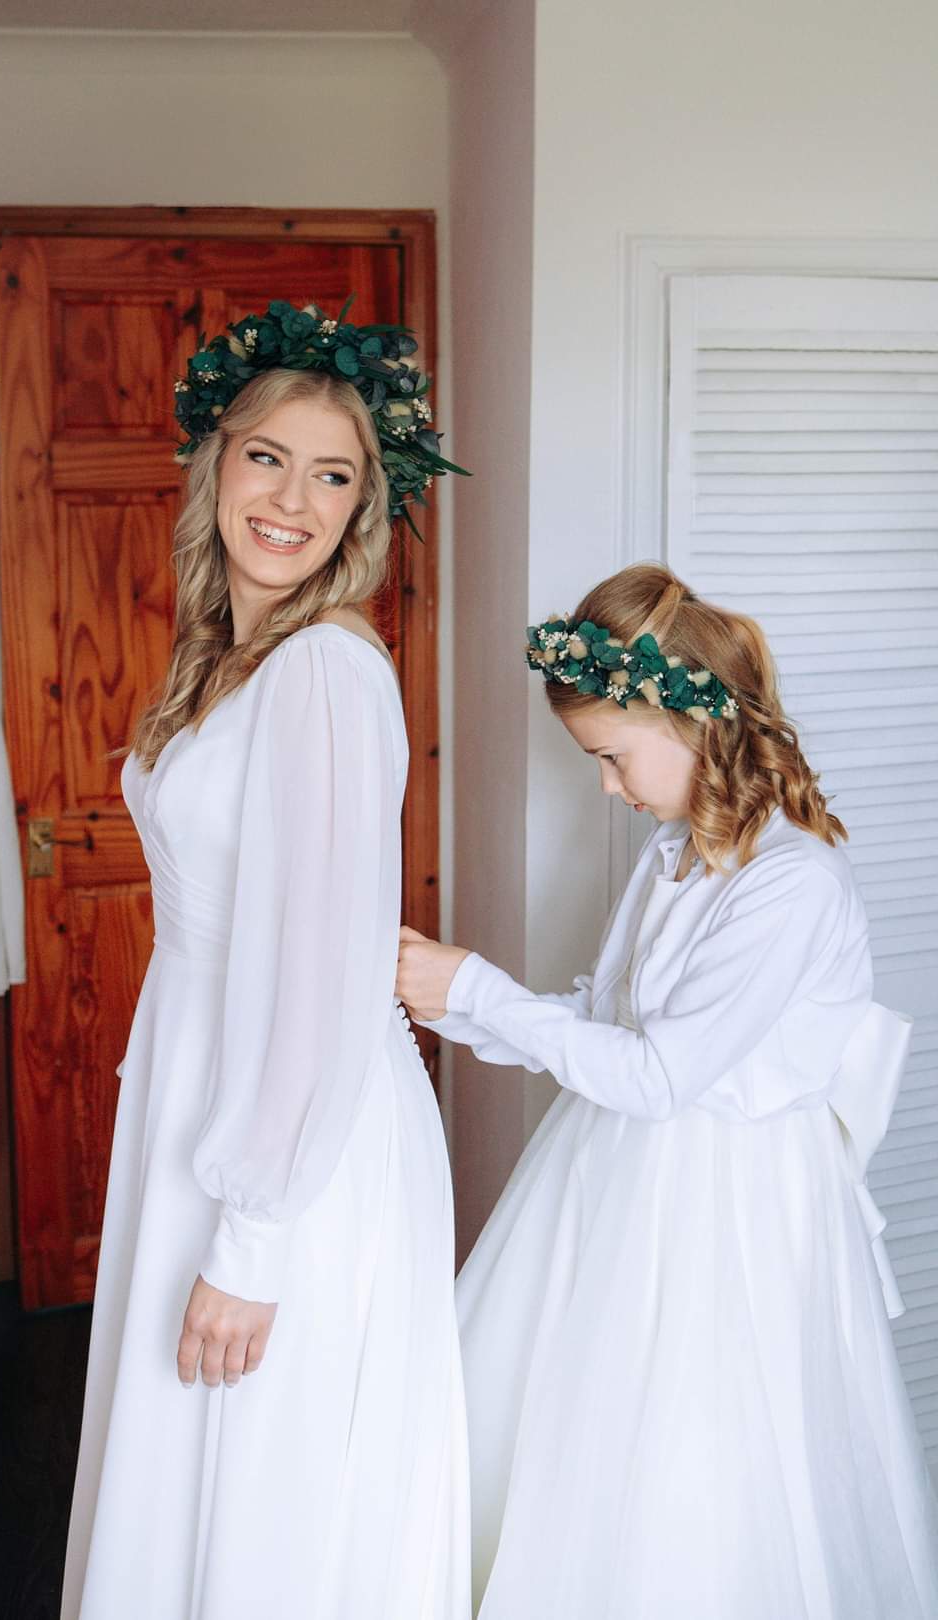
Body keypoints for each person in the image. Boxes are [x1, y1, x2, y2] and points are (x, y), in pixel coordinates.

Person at [396, 563, 938, 1619]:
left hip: (731, 1211)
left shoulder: (792, 884)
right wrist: (451, 1003)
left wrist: (482, 990)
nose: (605, 786)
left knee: (701, 1465)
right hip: (618, 1178)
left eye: (611, 757)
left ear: (693, 724)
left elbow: (660, 1076)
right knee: (579, 1436)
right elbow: (602, 1024)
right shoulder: (672, 858)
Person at [61, 302, 471, 1620]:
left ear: (364, 513)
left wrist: (255, 1235)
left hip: (289, 1135)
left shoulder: (327, 677)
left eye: (334, 475)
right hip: (204, 1087)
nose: (292, 498)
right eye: (267, 458)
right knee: (192, 1467)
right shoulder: (227, 661)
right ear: (216, 463)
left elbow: (321, 971)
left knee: (269, 1486)